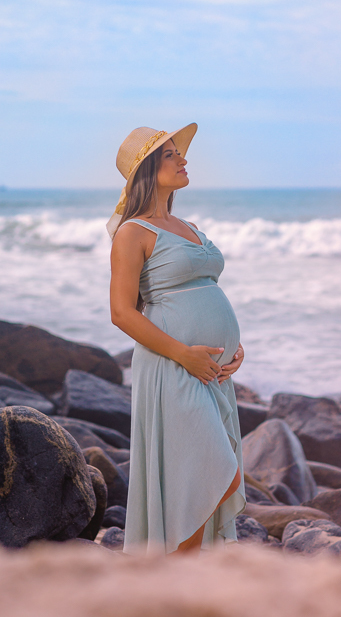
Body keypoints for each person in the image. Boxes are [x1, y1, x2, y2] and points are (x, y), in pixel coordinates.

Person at [108, 123, 246, 554]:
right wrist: (184, 355)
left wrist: (234, 348)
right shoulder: (132, 232)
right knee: (216, 476)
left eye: (178, 152)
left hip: (212, 373)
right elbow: (121, 312)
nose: (183, 159)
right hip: (172, 366)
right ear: (147, 171)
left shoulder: (189, 226)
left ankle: (180, 580)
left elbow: (206, 291)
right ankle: (175, 573)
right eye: (170, 154)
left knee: (199, 479)